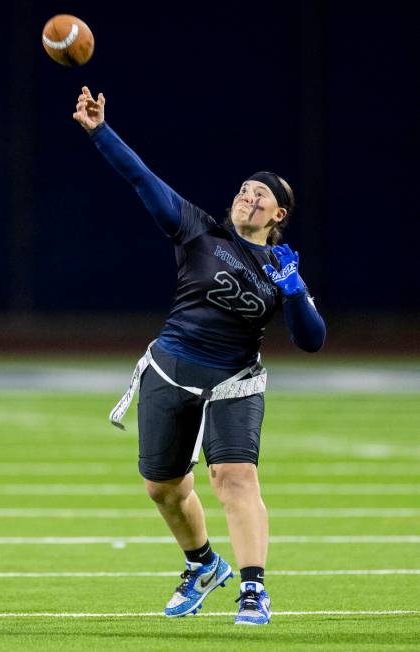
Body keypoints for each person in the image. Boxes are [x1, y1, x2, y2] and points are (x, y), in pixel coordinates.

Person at [73, 86, 326, 626]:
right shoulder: (198, 229)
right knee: (162, 487)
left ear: (278, 211)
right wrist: (99, 131)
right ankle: (203, 565)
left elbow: (311, 340)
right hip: (171, 365)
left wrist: (296, 288)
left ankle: (254, 588)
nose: (248, 196)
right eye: (244, 189)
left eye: (262, 194)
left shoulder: (280, 266)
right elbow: (142, 177)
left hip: (233, 381)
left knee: (234, 477)